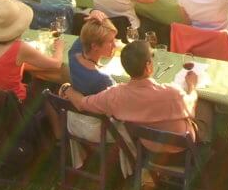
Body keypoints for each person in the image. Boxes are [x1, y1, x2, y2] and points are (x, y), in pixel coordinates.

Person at [61, 40, 210, 145]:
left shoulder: (114, 95)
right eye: (152, 59)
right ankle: (206, 150)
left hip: (147, 145)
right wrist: (192, 86)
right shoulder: (172, 94)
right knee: (205, 106)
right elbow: (191, 106)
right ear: (148, 66)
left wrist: (66, 88)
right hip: (179, 148)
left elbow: (81, 103)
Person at [0, 0, 64, 104]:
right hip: (13, 105)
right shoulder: (20, 47)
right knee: (44, 88)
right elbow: (56, 64)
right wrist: (59, 48)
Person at [68, 12, 119, 97]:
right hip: (93, 109)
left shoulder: (73, 54)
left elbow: (85, 35)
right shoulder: (104, 79)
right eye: (110, 41)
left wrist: (94, 16)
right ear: (95, 46)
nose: (115, 45)